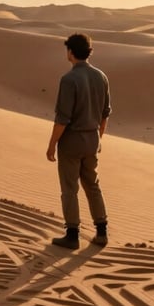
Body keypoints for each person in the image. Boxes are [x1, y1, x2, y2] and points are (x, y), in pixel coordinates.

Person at [46, 33, 111, 249]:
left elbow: (62, 118)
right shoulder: (101, 76)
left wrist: (52, 144)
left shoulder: (69, 79)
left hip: (72, 141)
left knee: (69, 188)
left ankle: (72, 235)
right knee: (93, 185)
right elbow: (105, 114)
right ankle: (101, 232)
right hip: (92, 139)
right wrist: (97, 138)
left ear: (71, 52)